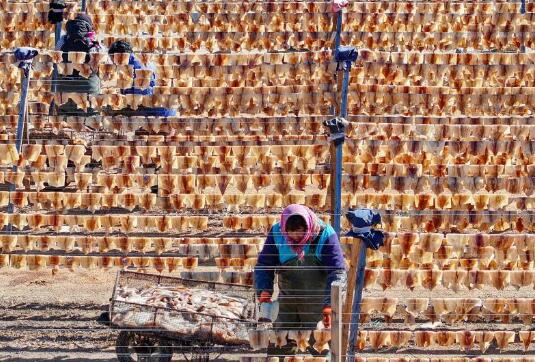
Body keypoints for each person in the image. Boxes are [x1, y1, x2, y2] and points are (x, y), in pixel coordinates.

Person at [254, 204, 346, 356]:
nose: (296, 240)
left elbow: (337, 272)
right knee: (279, 347)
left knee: (319, 349)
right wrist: (264, 291)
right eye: (291, 236)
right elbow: (264, 265)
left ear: (308, 228)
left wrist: (330, 305)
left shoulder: (325, 235)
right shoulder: (277, 232)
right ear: (284, 229)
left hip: (317, 304)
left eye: (300, 235)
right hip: (287, 300)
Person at [105, 40, 176, 118]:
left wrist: (118, 110)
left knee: (114, 112)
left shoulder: (135, 69)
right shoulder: (138, 60)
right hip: (164, 109)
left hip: (159, 113)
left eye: (113, 60)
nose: (113, 63)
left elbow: (141, 102)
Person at [53, 13, 101, 115]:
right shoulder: (93, 40)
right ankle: (89, 114)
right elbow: (100, 61)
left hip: (66, 85)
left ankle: (65, 117)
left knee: (66, 117)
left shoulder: (64, 39)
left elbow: (56, 56)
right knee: (89, 115)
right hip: (88, 86)